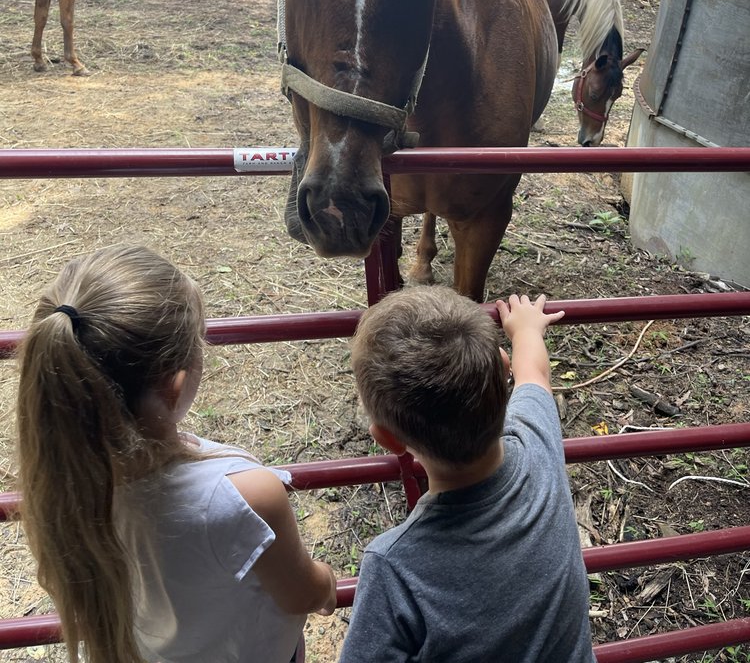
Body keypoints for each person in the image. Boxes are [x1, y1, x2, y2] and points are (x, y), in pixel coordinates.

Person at [16, 243, 337, 663]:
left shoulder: (60, 484)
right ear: (175, 387)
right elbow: (303, 594)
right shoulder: (244, 496)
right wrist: (328, 581)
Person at [340, 286, 596, 663]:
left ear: (387, 439)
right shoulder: (538, 443)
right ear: (504, 368)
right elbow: (535, 373)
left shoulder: (394, 566)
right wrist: (526, 331)